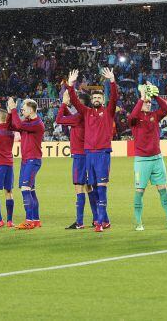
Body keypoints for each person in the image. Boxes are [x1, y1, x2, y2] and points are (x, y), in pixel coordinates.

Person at [66, 68, 118, 232]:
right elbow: (74, 100)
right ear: (91, 100)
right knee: (93, 188)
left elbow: (115, 98)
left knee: (101, 187)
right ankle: (104, 220)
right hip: (89, 154)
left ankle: (100, 223)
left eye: (99, 97)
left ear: (103, 100)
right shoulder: (86, 112)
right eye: (94, 97)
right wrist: (70, 84)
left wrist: (112, 81)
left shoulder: (108, 112)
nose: (96, 99)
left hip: (102, 154)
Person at [128, 82, 167, 231]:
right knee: (139, 191)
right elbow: (132, 116)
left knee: (163, 189)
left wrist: (156, 96)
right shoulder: (134, 118)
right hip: (142, 161)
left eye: (150, 103)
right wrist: (142, 98)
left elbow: (166, 109)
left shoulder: (155, 115)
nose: (148, 105)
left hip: (157, 159)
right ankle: (138, 222)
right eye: (146, 103)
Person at [56, 89, 97, 229]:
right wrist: (67, 107)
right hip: (88, 154)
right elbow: (70, 116)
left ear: (81, 102)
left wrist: (63, 104)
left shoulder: (79, 116)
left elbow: (59, 119)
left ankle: (79, 222)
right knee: (89, 186)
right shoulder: (85, 115)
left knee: (79, 187)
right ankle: (96, 218)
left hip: (79, 156)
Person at [8, 97, 45, 230]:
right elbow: (12, 125)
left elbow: (18, 126)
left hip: (32, 160)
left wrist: (13, 109)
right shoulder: (28, 122)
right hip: (26, 160)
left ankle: (28, 220)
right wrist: (9, 112)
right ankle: (35, 220)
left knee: (25, 189)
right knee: (31, 191)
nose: (22, 109)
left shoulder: (37, 123)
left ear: (31, 109)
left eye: (23, 107)